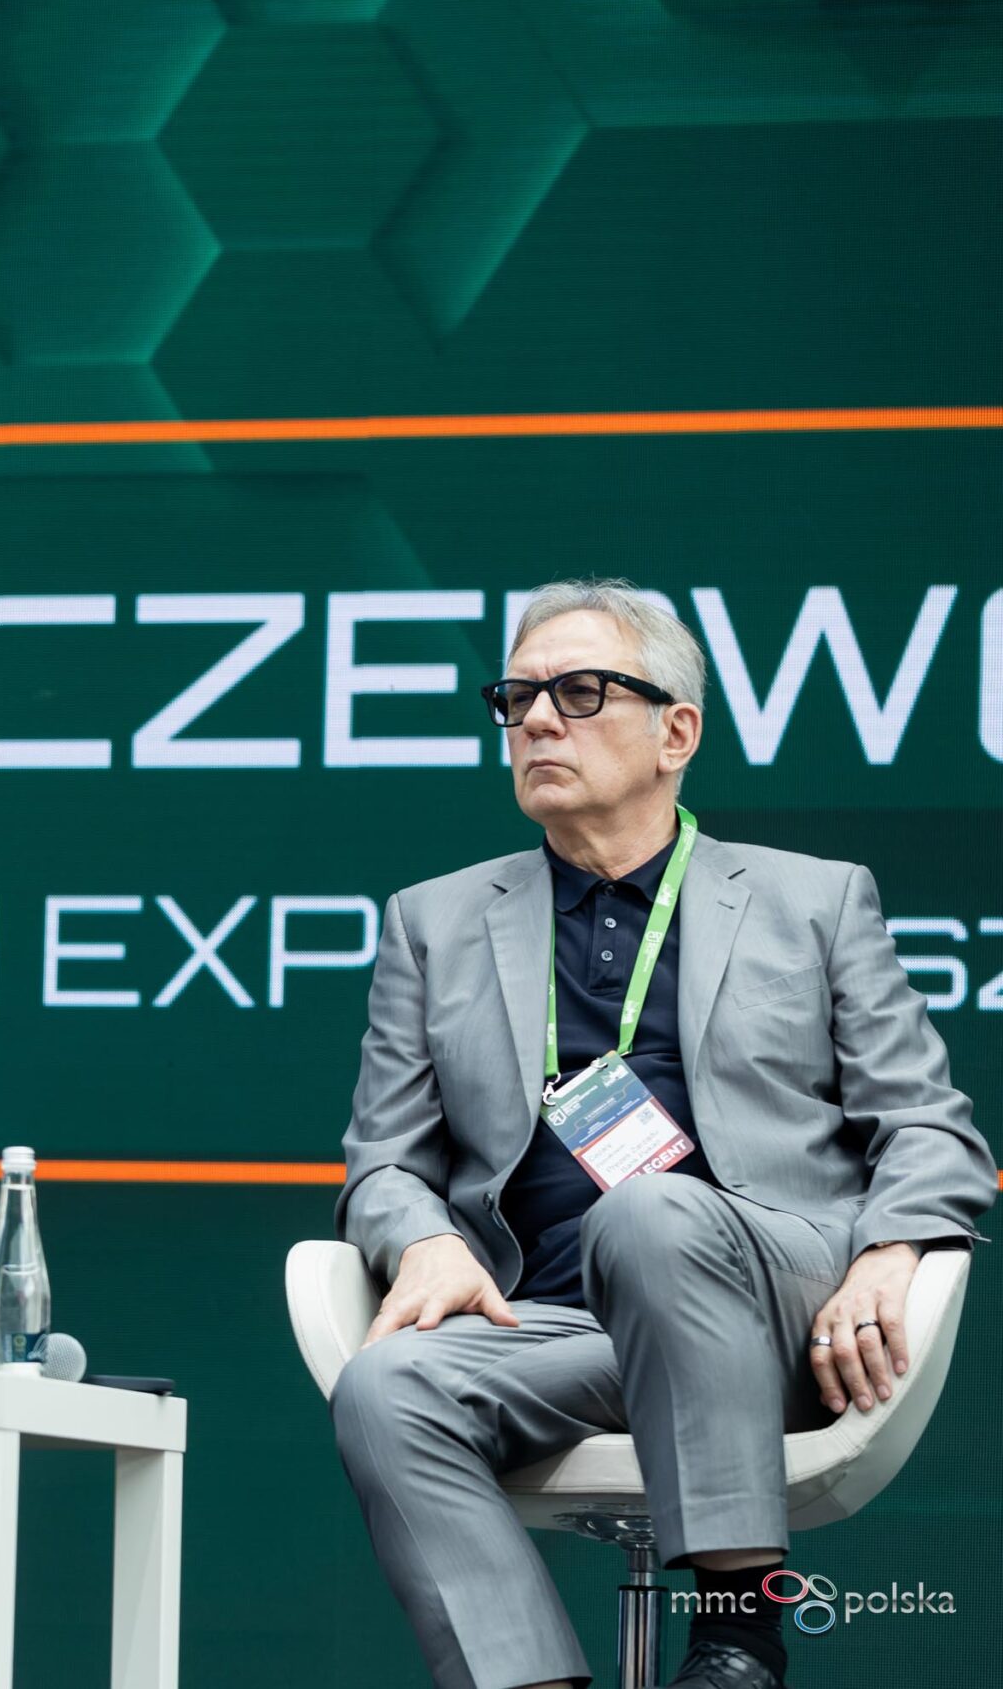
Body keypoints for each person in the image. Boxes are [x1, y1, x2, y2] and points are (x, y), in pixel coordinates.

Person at [330, 578, 990, 1689]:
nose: (538, 721)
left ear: (675, 732)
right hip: (557, 1321)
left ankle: (737, 1637)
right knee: (384, 1386)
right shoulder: (433, 921)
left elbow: (929, 1124)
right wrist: (423, 1237)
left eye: (580, 692)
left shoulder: (814, 901)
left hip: (772, 1309)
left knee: (648, 1213)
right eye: (518, 698)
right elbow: (384, 1160)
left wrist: (891, 1251)